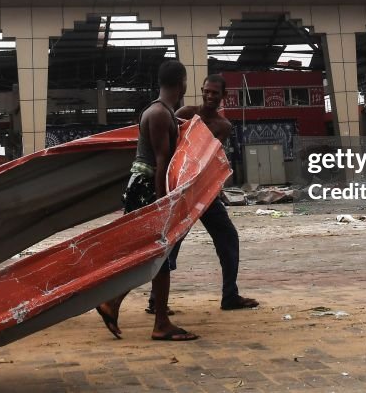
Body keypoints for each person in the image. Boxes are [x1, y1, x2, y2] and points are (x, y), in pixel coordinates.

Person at [95, 60, 198, 341]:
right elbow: (162, 161)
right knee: (159, 254)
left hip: (142, 186)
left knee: (152, 254)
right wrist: (163, 203)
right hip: (147, 187)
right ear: (182, 83)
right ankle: (160, 323)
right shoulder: (159, 114)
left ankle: (113, 303)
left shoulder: (163, 111)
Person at [148, 74, 259, 314]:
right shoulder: (186, 112)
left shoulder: (223, 126)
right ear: (201, 91)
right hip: (181, 191)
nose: (209, 96)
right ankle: (155, 301)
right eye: (206, 91)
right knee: (171, 244)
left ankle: (230, 295)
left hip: (205, 193)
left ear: (223, 96)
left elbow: (207, 156)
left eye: (214, 93)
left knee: (228, 238)